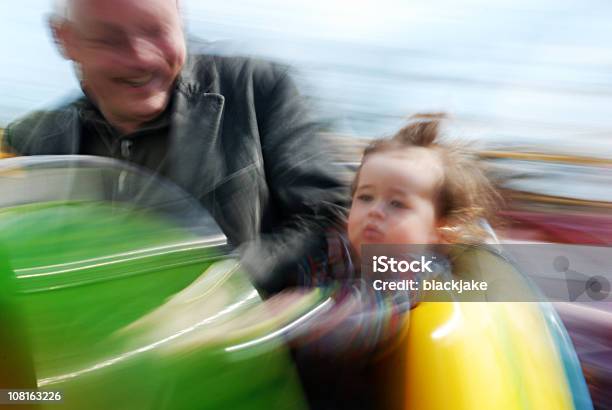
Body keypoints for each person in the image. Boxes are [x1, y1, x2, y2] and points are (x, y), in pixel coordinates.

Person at [0, 0, 348, 294]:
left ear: (181, 16)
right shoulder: (33, 140)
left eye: (155, 31)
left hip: (238, 354)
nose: (140, 57)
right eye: (109, 40)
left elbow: (327, 218)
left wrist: (227, 284)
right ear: (64, 39)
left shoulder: (260, 90)